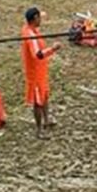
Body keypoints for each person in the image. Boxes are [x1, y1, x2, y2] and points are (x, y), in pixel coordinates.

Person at [20, 7, 62, 139]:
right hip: (35, 73)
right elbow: (37, 55)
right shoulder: (30, 34)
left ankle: (47, 120)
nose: (41, 20)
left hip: (41, 71)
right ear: (35, 19)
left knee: (44, 95)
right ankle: (39, 130)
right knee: (37, 101)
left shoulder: (31, 29)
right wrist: (53, 49)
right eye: (39, 17)